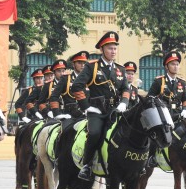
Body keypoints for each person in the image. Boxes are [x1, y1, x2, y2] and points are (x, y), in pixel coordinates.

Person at [70, 31, 131, 180]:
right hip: (97, 111)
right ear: (102, 49)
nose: (113, 51)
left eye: (115, 48)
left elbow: (126, 89)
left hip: (115, 111)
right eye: (110, 48)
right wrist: (86, 106)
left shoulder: (120, 69)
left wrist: (124, 103)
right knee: (95, 133)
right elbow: (76, 86)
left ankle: (132, 164)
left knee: (130, 132)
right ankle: (87, 165)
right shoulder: (92, 67)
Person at [148, 50, 186, 120]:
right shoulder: (159, 81)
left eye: (177, 64)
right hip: (162, 116)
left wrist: (185, 110)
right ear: (166, 66)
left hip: (178, 115)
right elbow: (149, 98)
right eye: (173, 64)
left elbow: (185, 100)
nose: (176, 67)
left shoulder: (182, 82)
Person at [48, 51, 89, 118]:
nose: (82, 65)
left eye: (84, 63)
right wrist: (57, 114)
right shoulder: (66, 79)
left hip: (88, 114)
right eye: (79, 63)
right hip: (70, 116)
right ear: (73, 64)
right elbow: (54, 96)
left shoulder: (89, 79)